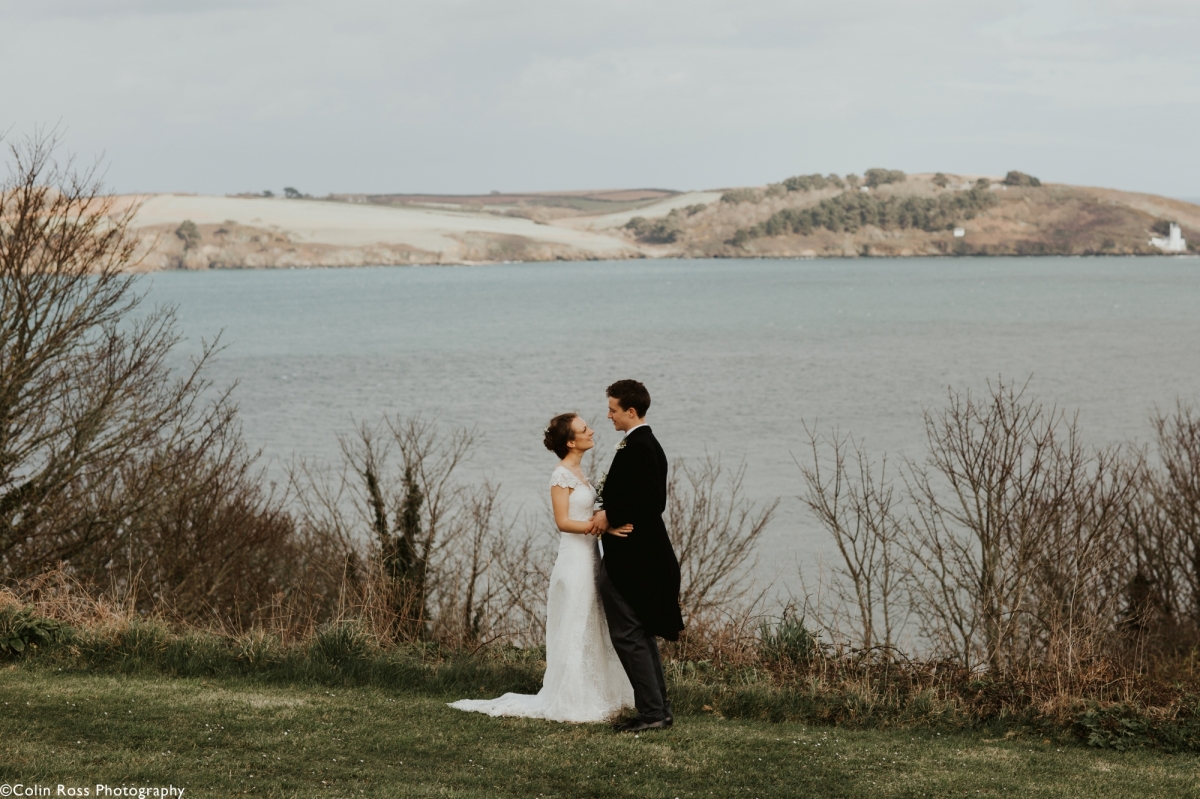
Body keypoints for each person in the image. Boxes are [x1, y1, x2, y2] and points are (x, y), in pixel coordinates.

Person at [447, 413, 634, 723]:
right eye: (584, 429)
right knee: (576, 625)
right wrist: (605, 527)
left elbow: (585, 513)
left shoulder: (579, 472)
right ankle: (573, 700)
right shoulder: (560, 475)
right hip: (574, 560)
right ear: (571, 442)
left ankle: (599, 692)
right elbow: (563, 522)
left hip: (591, 556)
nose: (591, 431)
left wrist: (607, 520)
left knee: (592, 624)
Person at [591, 379, 686, 732]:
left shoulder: (641, 446)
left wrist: (609, 516)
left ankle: (652, 713)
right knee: (638, 634)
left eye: (612, 410)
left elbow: (652, 501)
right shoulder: (640, 443)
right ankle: (658, 709)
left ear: (631, 411)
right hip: (637, 557)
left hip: (633, 560)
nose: (608, 415)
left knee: (629, 636)